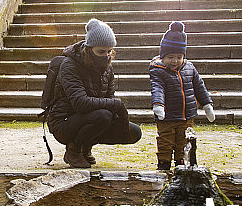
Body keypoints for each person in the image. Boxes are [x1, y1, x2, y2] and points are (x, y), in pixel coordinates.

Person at [47, 18, 142, 168]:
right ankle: (74, 150)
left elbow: (109, 98)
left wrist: (120, 118)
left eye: (109, 51)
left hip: (92, 117)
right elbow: (80, 103)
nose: (106, 55)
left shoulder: (108, 68)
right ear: (89, 48)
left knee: (134, 132)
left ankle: (86, 146)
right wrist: (116, 105)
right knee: (103, 116)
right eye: (101, 51)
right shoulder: (70, 65)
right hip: (63, 123)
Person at [149, 21, 215, 170]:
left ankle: (181, 164)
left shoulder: (189, 68)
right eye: (170, 57)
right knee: (165, 141)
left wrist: (207, 105)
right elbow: (157, 88)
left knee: (184, 141)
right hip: (167, 116)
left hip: (187, 115)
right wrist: (158, 105)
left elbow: (199, 87)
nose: (175, 61)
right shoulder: (158, 71)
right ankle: (164, 164)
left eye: (179, 57)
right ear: (163, 56)